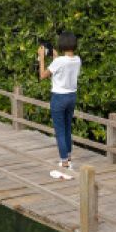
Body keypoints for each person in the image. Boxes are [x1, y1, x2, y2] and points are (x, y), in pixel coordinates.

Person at [39, 32, 81, 178]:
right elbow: (62, 67)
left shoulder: (59, 62)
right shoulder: (77, 60)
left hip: (59, 98)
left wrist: (42, 58)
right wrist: (55, 56)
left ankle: (64, 166)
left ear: (62, 44)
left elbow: (43, 75)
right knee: (67, 128)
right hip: (71, 96)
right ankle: (68, 160)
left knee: (60, 131)